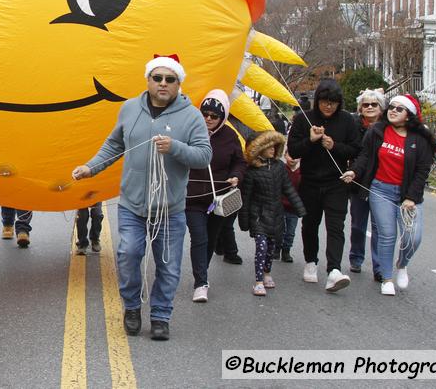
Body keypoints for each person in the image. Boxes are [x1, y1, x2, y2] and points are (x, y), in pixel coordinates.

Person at [71, 55, 211, 341]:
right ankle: (132, 307)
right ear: (147, 80)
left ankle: (160, 316)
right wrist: (90, 167)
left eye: (169, 79)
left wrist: (175, 148)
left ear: (178, 84)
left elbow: (204, 155)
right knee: (128, 254)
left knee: (169, 266)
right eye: (157, 78)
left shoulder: (192, 116)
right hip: (132, 205)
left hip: (170, 209)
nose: (163, 83)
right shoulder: (130, 108)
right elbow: (114, 143)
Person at [351, 94, 435, 295]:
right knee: (387, 235)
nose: (393, 110)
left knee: (412, 238)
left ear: (409, 115)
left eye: (399, 108)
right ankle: (386, 278)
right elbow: (365, 156)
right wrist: (354, 171)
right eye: (392, 107)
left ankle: (402, 264)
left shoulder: (420, 139)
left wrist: (411, 198)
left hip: (408, 195)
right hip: (380, 189)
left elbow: (422, 171)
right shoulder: (377, 131)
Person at [287, 78, 361, 293]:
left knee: (336, 226)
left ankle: (334, 270)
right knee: (310, 224)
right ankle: (310, 261)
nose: (328, 106)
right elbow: (293, 150)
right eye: (324, 101)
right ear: (317, 100)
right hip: (309, 181)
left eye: (333, 102)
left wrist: (334, 145)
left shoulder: (348, 121)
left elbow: (355, 149)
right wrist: (310, 141)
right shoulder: (303, 120)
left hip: (336, 183)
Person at [185, 89, 247, 303]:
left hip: (219, 200)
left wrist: (236, 176)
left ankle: (203, 272)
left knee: (211, 239)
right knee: (199, 238)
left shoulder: (230, 136)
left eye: (214, 116)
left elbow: (240, 161)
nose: (209, 119)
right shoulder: (190, 131)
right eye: (205, 114)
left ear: (223, 117)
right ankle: (200, 282)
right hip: (192, 198)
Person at [238, 131, 306, 296]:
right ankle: (259, 280)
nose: (273, 149)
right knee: (261, 247)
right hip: (259, 215)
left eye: (275, 146)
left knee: (271, 248)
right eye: (269, 146)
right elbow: (245, 197)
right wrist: (245, 220)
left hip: (276, 214)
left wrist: (299, 208)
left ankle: (267, 272)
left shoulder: (279, 167)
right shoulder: (251, 171)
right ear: (259, 148)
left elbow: (288, 188)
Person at [348, 88, 387, 274]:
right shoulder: (354, 126)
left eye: (374, 104)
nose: (370, 107)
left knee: (379, 226)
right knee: (357, 224)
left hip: (382, 182)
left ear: (381, 108)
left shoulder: (389, 127)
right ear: (360, 108)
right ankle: (356, 257)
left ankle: (379, 267)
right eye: (366, 104)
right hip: (358, 181)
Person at [278, 151, 301, 263]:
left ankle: (286, 251)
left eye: (295, 156)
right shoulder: (281, 170)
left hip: (293, 208)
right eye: (290, 155)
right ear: (285, 155)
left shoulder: (301, 173)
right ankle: (276, 249)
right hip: (280, 206)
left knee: (290, 232)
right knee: (279, 229)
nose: (292, 158)